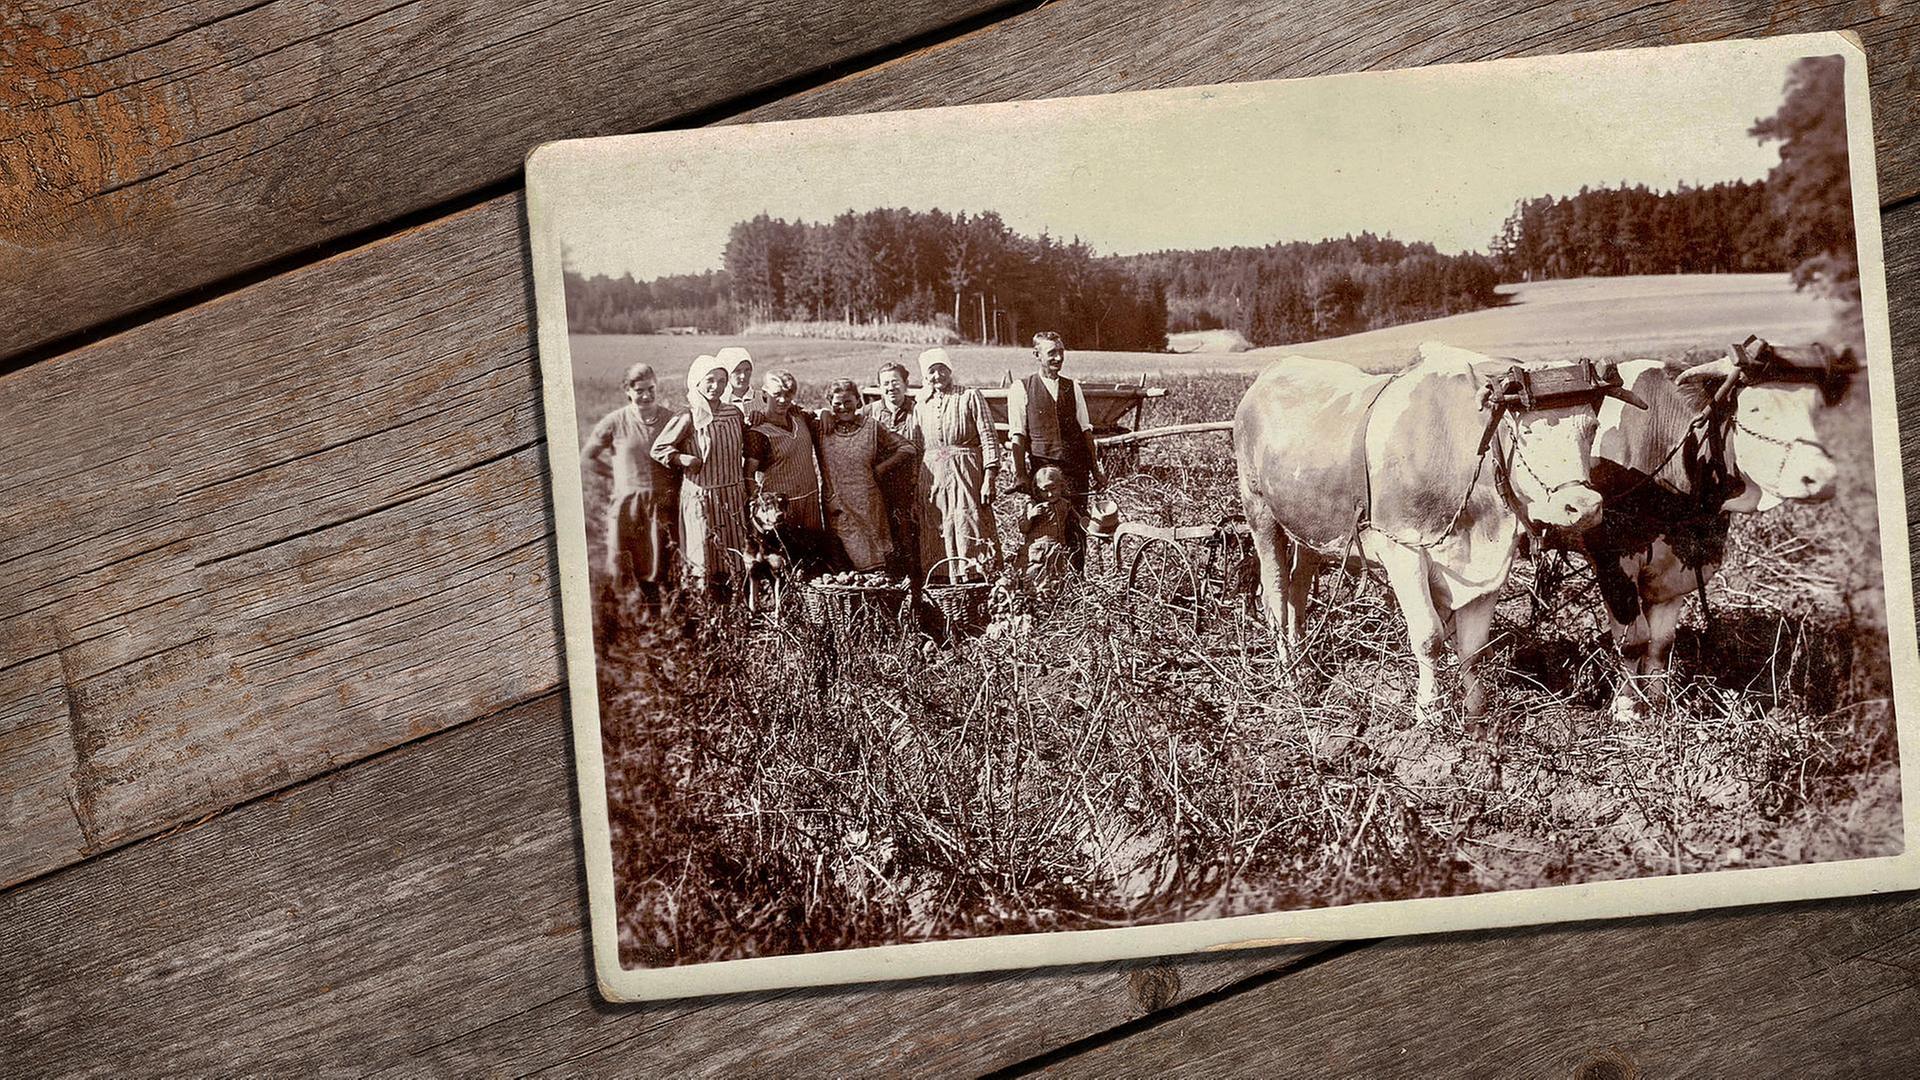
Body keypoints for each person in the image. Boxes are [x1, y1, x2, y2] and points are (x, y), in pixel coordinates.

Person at [650, 354, 749, 594]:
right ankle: (703, 605)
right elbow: (659, 449)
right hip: (702, 496)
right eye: (710, 380)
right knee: (703, 553)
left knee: (734, 552)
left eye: (722, 381)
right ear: (697, 381)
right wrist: (682, 458)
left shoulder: (734, 413)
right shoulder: (688, 415)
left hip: (733, 495)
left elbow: (748, 444)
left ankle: (735, 602)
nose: (716, 386)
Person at [1007, 331, 1106, 570]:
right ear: (1037, 355)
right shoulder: (1021, 388)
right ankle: (1045, 580)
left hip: (1075, 470)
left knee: (1077, 525)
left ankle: (1075, 581)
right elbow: (1018, 435)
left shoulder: (1073, 387)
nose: (1058, 358)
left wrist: (1095, 470)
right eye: (1052, 353)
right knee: (1045, 526)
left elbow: (1086, 431)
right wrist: (1021, 475)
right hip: (1043, 472)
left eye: (1061, 352)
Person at [582, 362, 677, 605]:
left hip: (662, 504)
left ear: (657, 386)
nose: (646, 396)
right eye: (639, 390)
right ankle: (630, 615)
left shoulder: (671, 419)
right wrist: (618, 476)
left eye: (650, 389)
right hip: (628, 506)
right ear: (628, 391)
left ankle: (664, 615)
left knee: (663, 564)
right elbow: (588, 457)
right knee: (626, 566)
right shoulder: (615, 422)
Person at [913, 348, 1001, 581]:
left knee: (968, 519)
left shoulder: (969, 396)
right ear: (925, 376)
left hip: (967, 471)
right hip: (933, 475)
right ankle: (944, 581)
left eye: (942, 369)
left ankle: (975, 578)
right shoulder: (921, 405)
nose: (938, 375)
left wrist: (989, 477)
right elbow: (917, 447)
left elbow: (988, 437)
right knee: (939, 524)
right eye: (932, 371)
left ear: (950, 370)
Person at [816, 379, 916, 572]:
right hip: (837, 505)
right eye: (837, 403)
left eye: (848, 401)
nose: (843, 407)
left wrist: (882, 468)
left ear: (858, 401)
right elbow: (795, 412)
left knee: (875, 564)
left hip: (868, 503)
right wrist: (823, 413)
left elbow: (907, 448)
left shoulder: (871, 427)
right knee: (844, 567)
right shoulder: (821, 428)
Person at [743, 369, 825, 533]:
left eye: (788, 395)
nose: (783, 400)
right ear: (764, 394)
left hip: (810, 501)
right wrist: (761, 507)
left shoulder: (800, 418)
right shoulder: (758, 432)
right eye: (777, 394)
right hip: (780, 509)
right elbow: (749, 474)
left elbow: (818, 414)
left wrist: (825, 412)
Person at [861, 361, 922, 575]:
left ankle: (915, 583)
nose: (891, 388)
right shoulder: (868, 412)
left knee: (911, 537)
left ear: (906, 384)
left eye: (895, 382)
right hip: (878, 487)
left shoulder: (918, 409)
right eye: (885, 383)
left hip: (912, 484)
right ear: (879, 386)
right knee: (883, 537)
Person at [717, 346, 759, 413]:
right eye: (737, 371)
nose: (743, 376)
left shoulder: (763, 399)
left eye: (747, 370)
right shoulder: (717, 403)